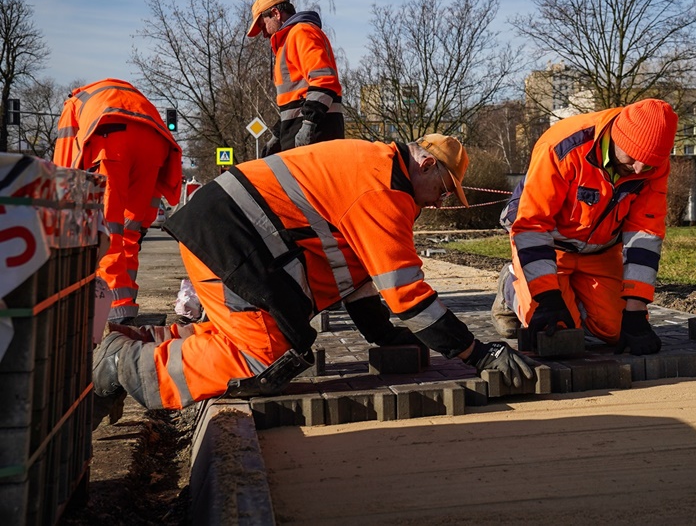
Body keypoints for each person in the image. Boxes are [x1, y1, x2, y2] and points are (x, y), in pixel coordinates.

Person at [91, 134, 535, 421]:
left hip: (227, 235)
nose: (439, 203)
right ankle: (123, 364)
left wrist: (384, 337)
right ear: (425, 166)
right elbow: (408, 295)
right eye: (442, 190)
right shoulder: (382, 189)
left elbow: (360, 278)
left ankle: (144, 338)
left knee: (246, 333)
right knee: (264, 357)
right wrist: (478, 353)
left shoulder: (374, 167)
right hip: (229, 240)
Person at [492, 98, 678, 356]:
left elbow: (645, 234)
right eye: (634, 158)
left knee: (617, 330)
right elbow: (532, 224)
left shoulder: (652, 164)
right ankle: (511, 288)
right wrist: (547, 296)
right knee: (558, 331)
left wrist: (636, 310)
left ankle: (574, 299)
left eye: (649, 163)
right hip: (550, 247)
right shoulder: (562, 146)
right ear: (616, 136)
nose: (639, 169)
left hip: (600, 250)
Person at [54, 78, 182, 325]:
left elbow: (64, 163)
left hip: (112, 140)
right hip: (156, 143)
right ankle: (126, 304)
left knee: (106, 229)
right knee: (129, 233)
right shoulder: (119, 95)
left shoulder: (73, 103)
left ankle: (116, 309)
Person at [247, 0, 344, 155]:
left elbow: (324, 81)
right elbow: (294, 102)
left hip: (316, 135)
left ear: (275, 14)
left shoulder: (301, 33)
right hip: (306, 133)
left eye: (264, 26)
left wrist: (308, 126)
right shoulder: (291, 39)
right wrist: (278, 134)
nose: (264, 34)